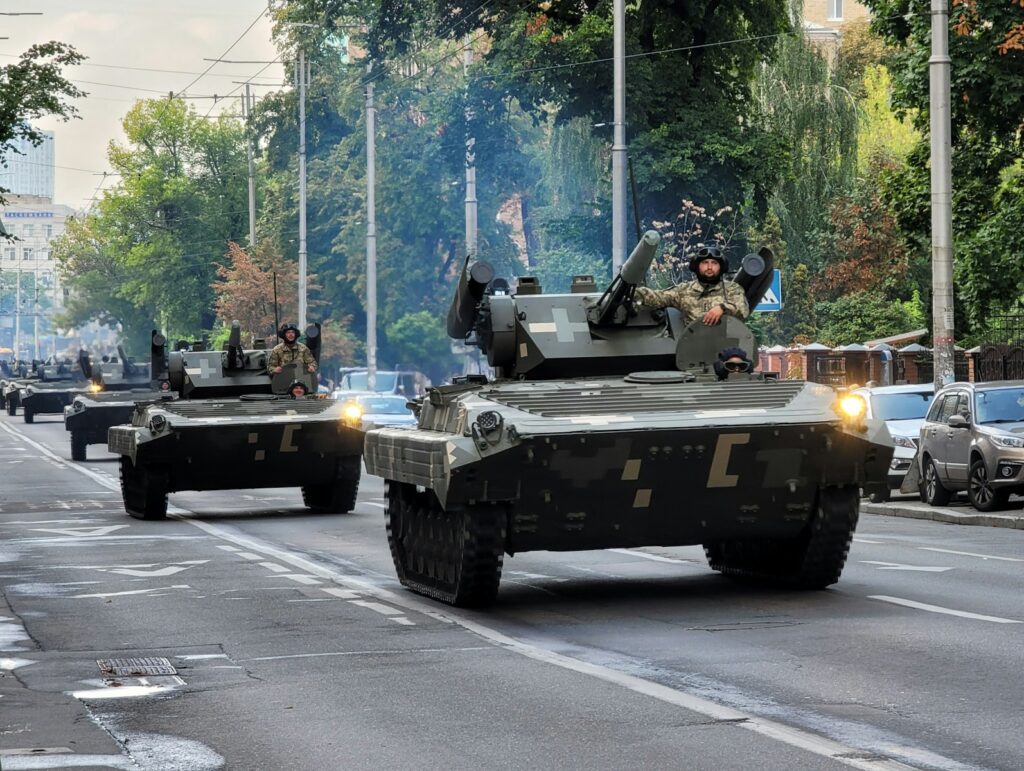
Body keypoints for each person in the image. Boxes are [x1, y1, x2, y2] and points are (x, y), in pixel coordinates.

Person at [635, 245, 750, 326]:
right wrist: (635, 293)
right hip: (693, 348)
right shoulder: (684, 291)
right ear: (697, 266)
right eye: (705, 263)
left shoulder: (732, 289)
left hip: (726, 346)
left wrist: (723, 308)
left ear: (721, 267)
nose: (709, 267)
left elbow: (742, 310)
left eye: (714, 263)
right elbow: (658, 297)